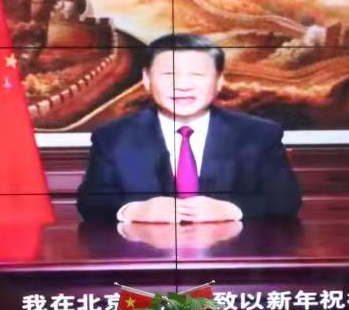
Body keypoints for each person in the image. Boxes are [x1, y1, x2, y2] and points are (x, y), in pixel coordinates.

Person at [75, 33, 303, 226]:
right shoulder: (112, 137)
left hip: (234, 257)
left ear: (219, 81)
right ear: (146, 80)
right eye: (169, 75)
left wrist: (232, 209)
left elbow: (286, 200)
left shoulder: (259, 135)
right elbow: (91, 202)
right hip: (144, 256)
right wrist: (134, 210)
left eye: (197, 75)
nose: (183, 86)